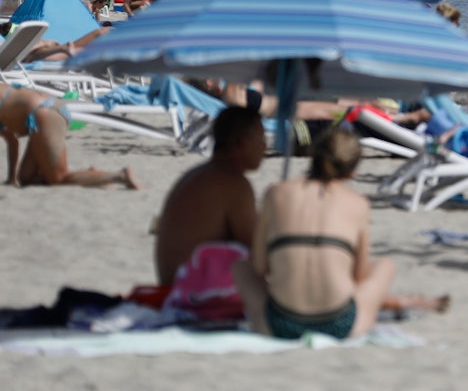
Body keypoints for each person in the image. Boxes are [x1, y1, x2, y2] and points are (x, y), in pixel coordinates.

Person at [232, 126, 449, 339]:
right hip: (339, 324)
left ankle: (399, 302)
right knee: (385, 267)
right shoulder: (358, 204)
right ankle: (398, 302)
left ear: (314, 155)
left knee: (241, 268)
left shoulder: (275, 193)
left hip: (280, 323)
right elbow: (360, 276)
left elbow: (259, 267)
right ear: (353, 171)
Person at [154, 106, 266, 286]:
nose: (265, 146)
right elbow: (256, 249)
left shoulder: (198, 175)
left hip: (173, 286)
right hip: (191, 296)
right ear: (242, 143)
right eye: (261, 138)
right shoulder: (233, 183)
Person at [0, 83, 138, 189]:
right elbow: (12, 140)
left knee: (59, 178)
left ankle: (120, 175)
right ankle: (91, 176)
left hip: (43, 113)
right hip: (45, 111)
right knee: (26, 177)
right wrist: (12, 178)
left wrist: (11, 178)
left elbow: (11, 139)